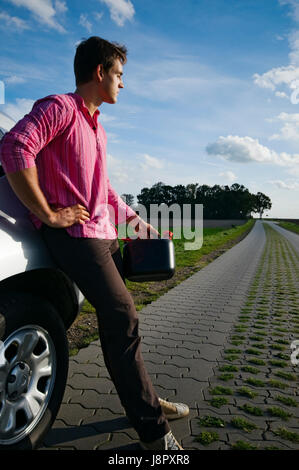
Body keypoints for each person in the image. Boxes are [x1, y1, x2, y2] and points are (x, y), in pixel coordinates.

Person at [0, 36, 189, 450]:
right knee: (122, 315)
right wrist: (50, 214)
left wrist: (141, 226)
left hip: (104, 237)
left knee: (121, 325)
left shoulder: (97, 128)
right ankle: (154, 431)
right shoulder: (59, 108)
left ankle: (144, 401)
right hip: (75, 238)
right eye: (119, 75)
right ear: (99, 72)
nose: (123, 83)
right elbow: (15, 147)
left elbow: (104, 192)